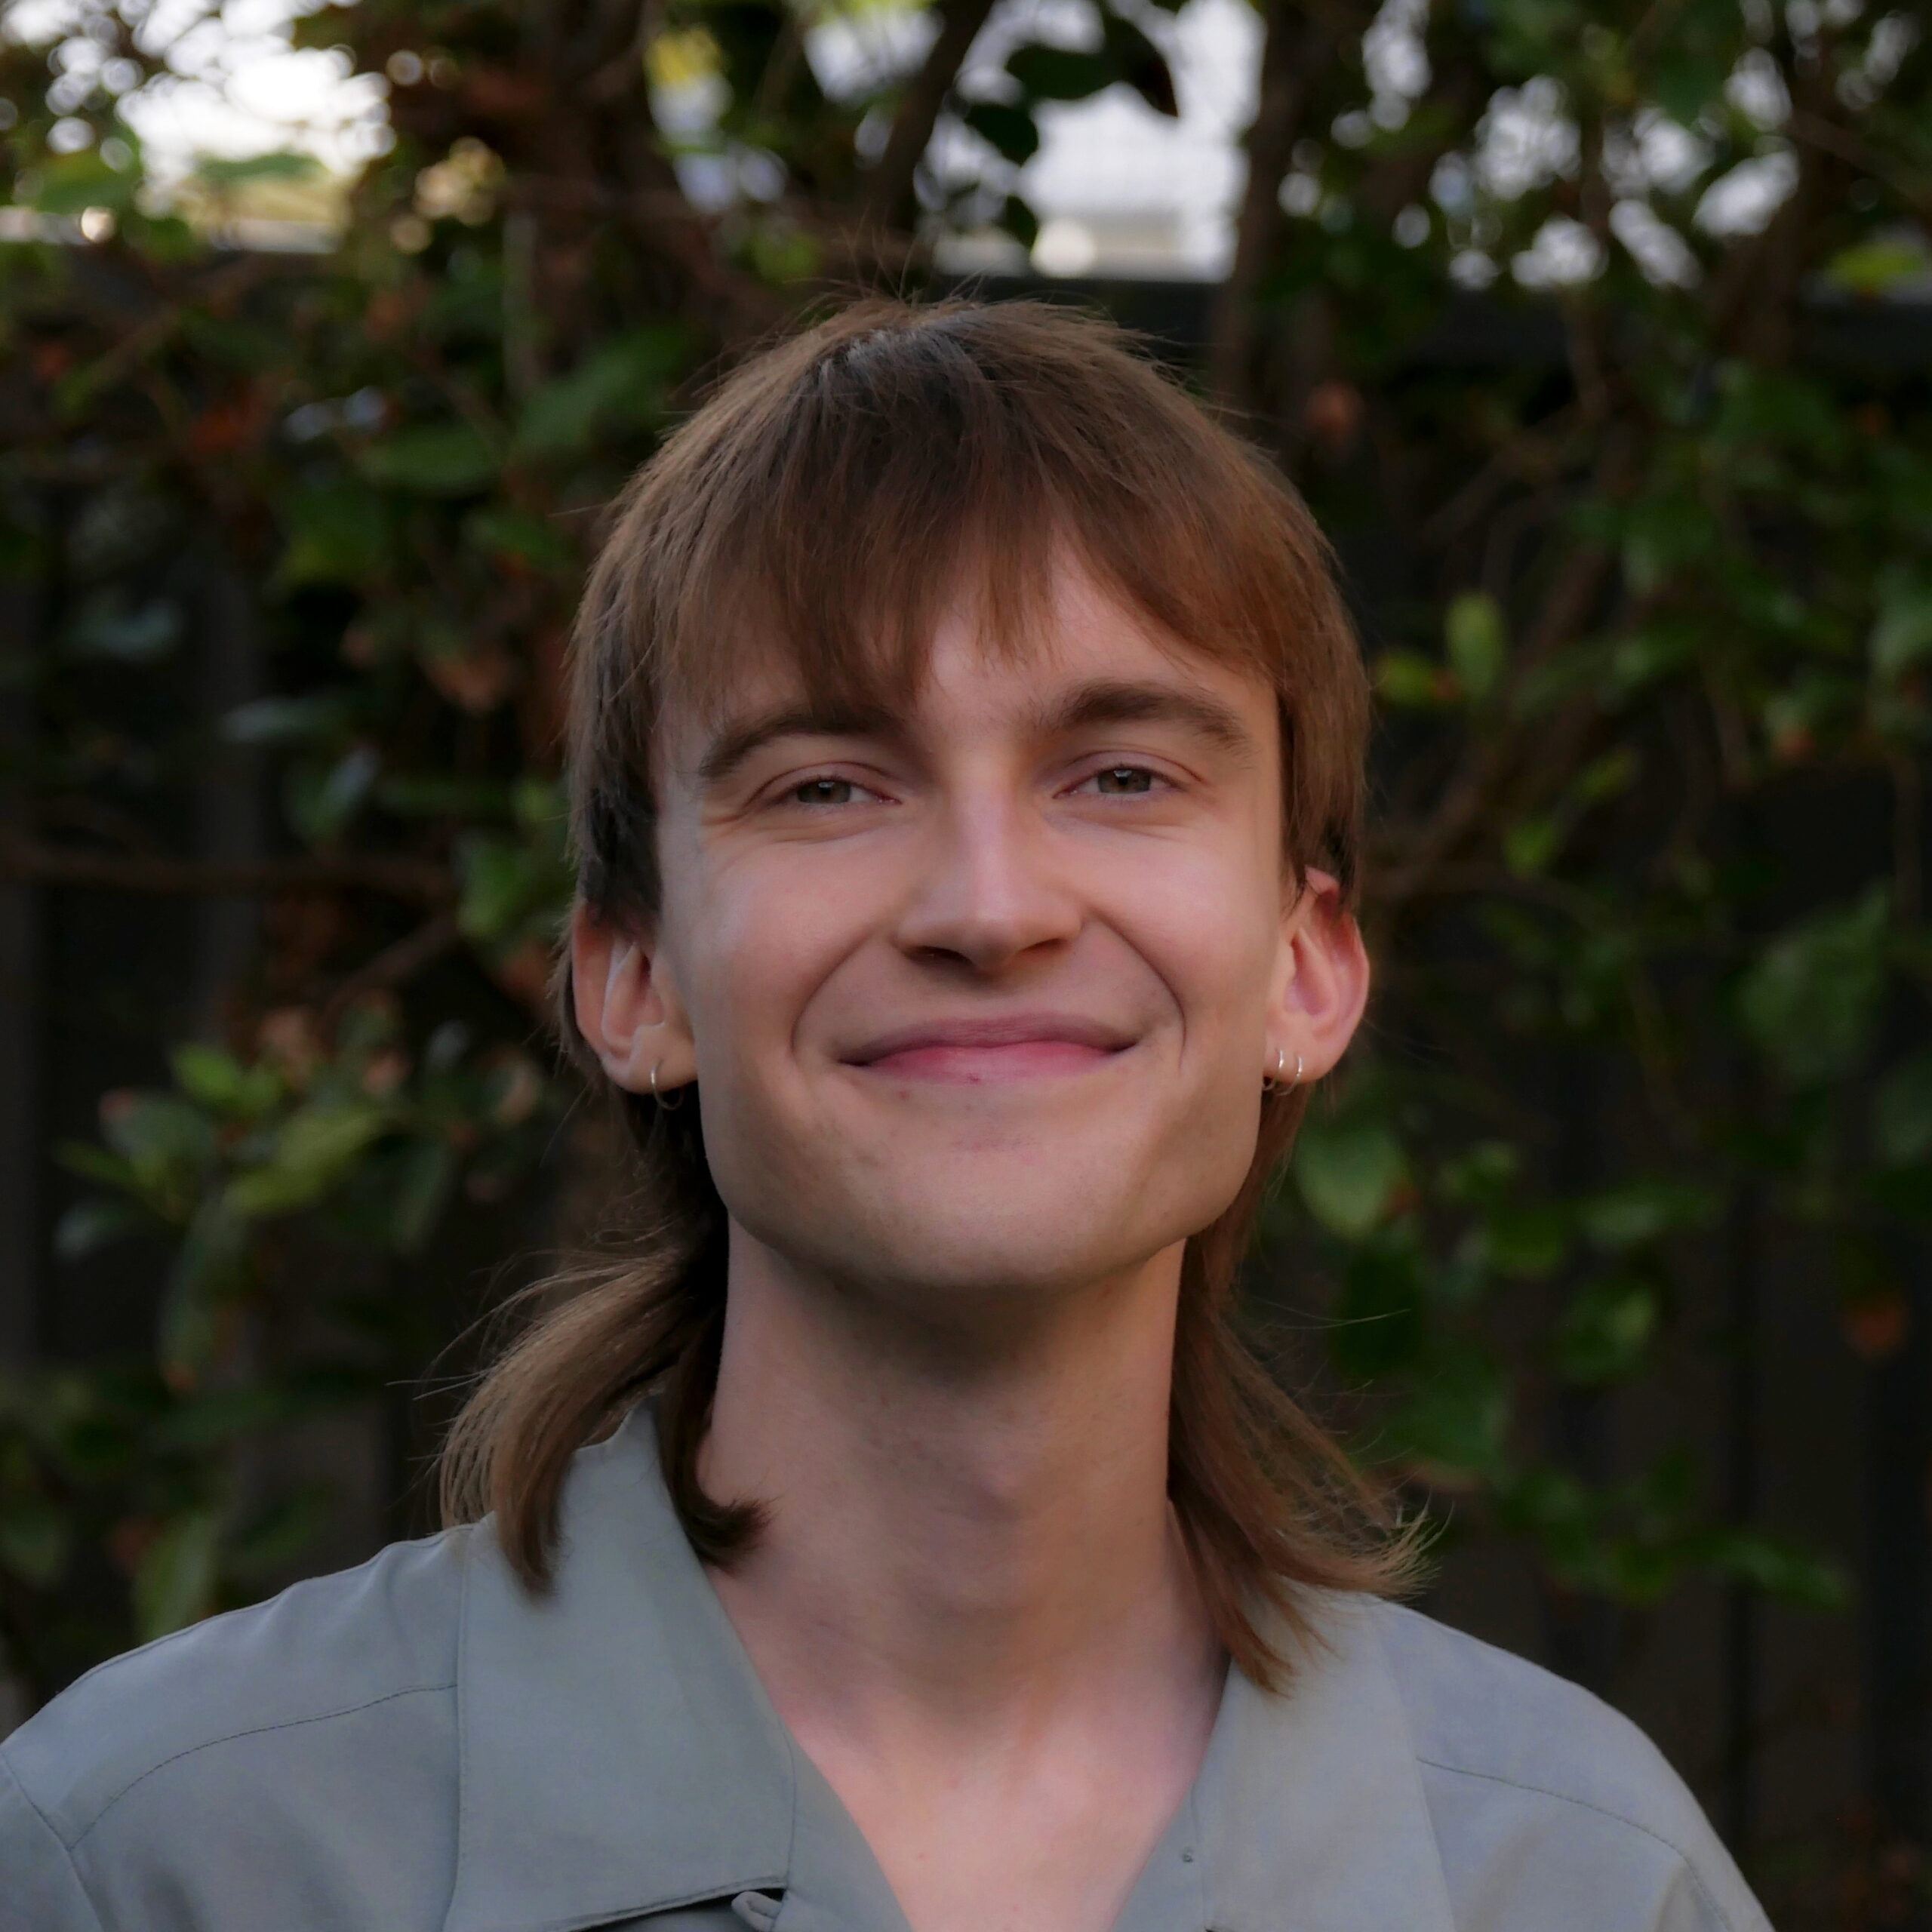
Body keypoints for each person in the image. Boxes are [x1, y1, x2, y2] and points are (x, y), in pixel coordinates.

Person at [0, 300, 1770, 1932]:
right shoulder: (156, 1856)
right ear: (634, 980)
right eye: (827, 782)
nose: (989, 905)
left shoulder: (1582, 1878)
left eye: (1121, 773)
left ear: (1305, 968)